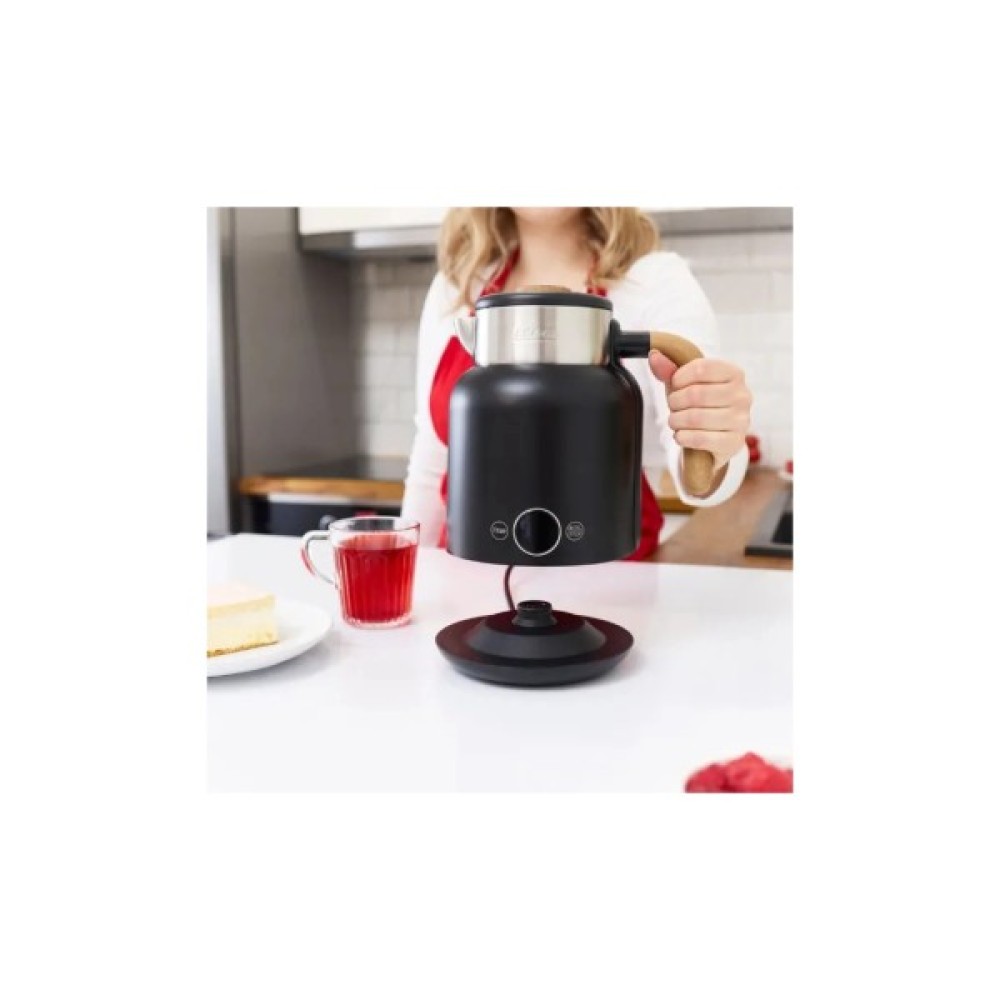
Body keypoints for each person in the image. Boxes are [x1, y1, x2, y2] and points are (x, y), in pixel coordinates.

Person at [401, 207, 752, 560]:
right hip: (464, 575)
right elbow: (431, 464)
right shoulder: (457, 284)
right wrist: (407, 568)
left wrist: (716, 434)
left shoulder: (654, 280)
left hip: (608, 576)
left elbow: (698, 457)